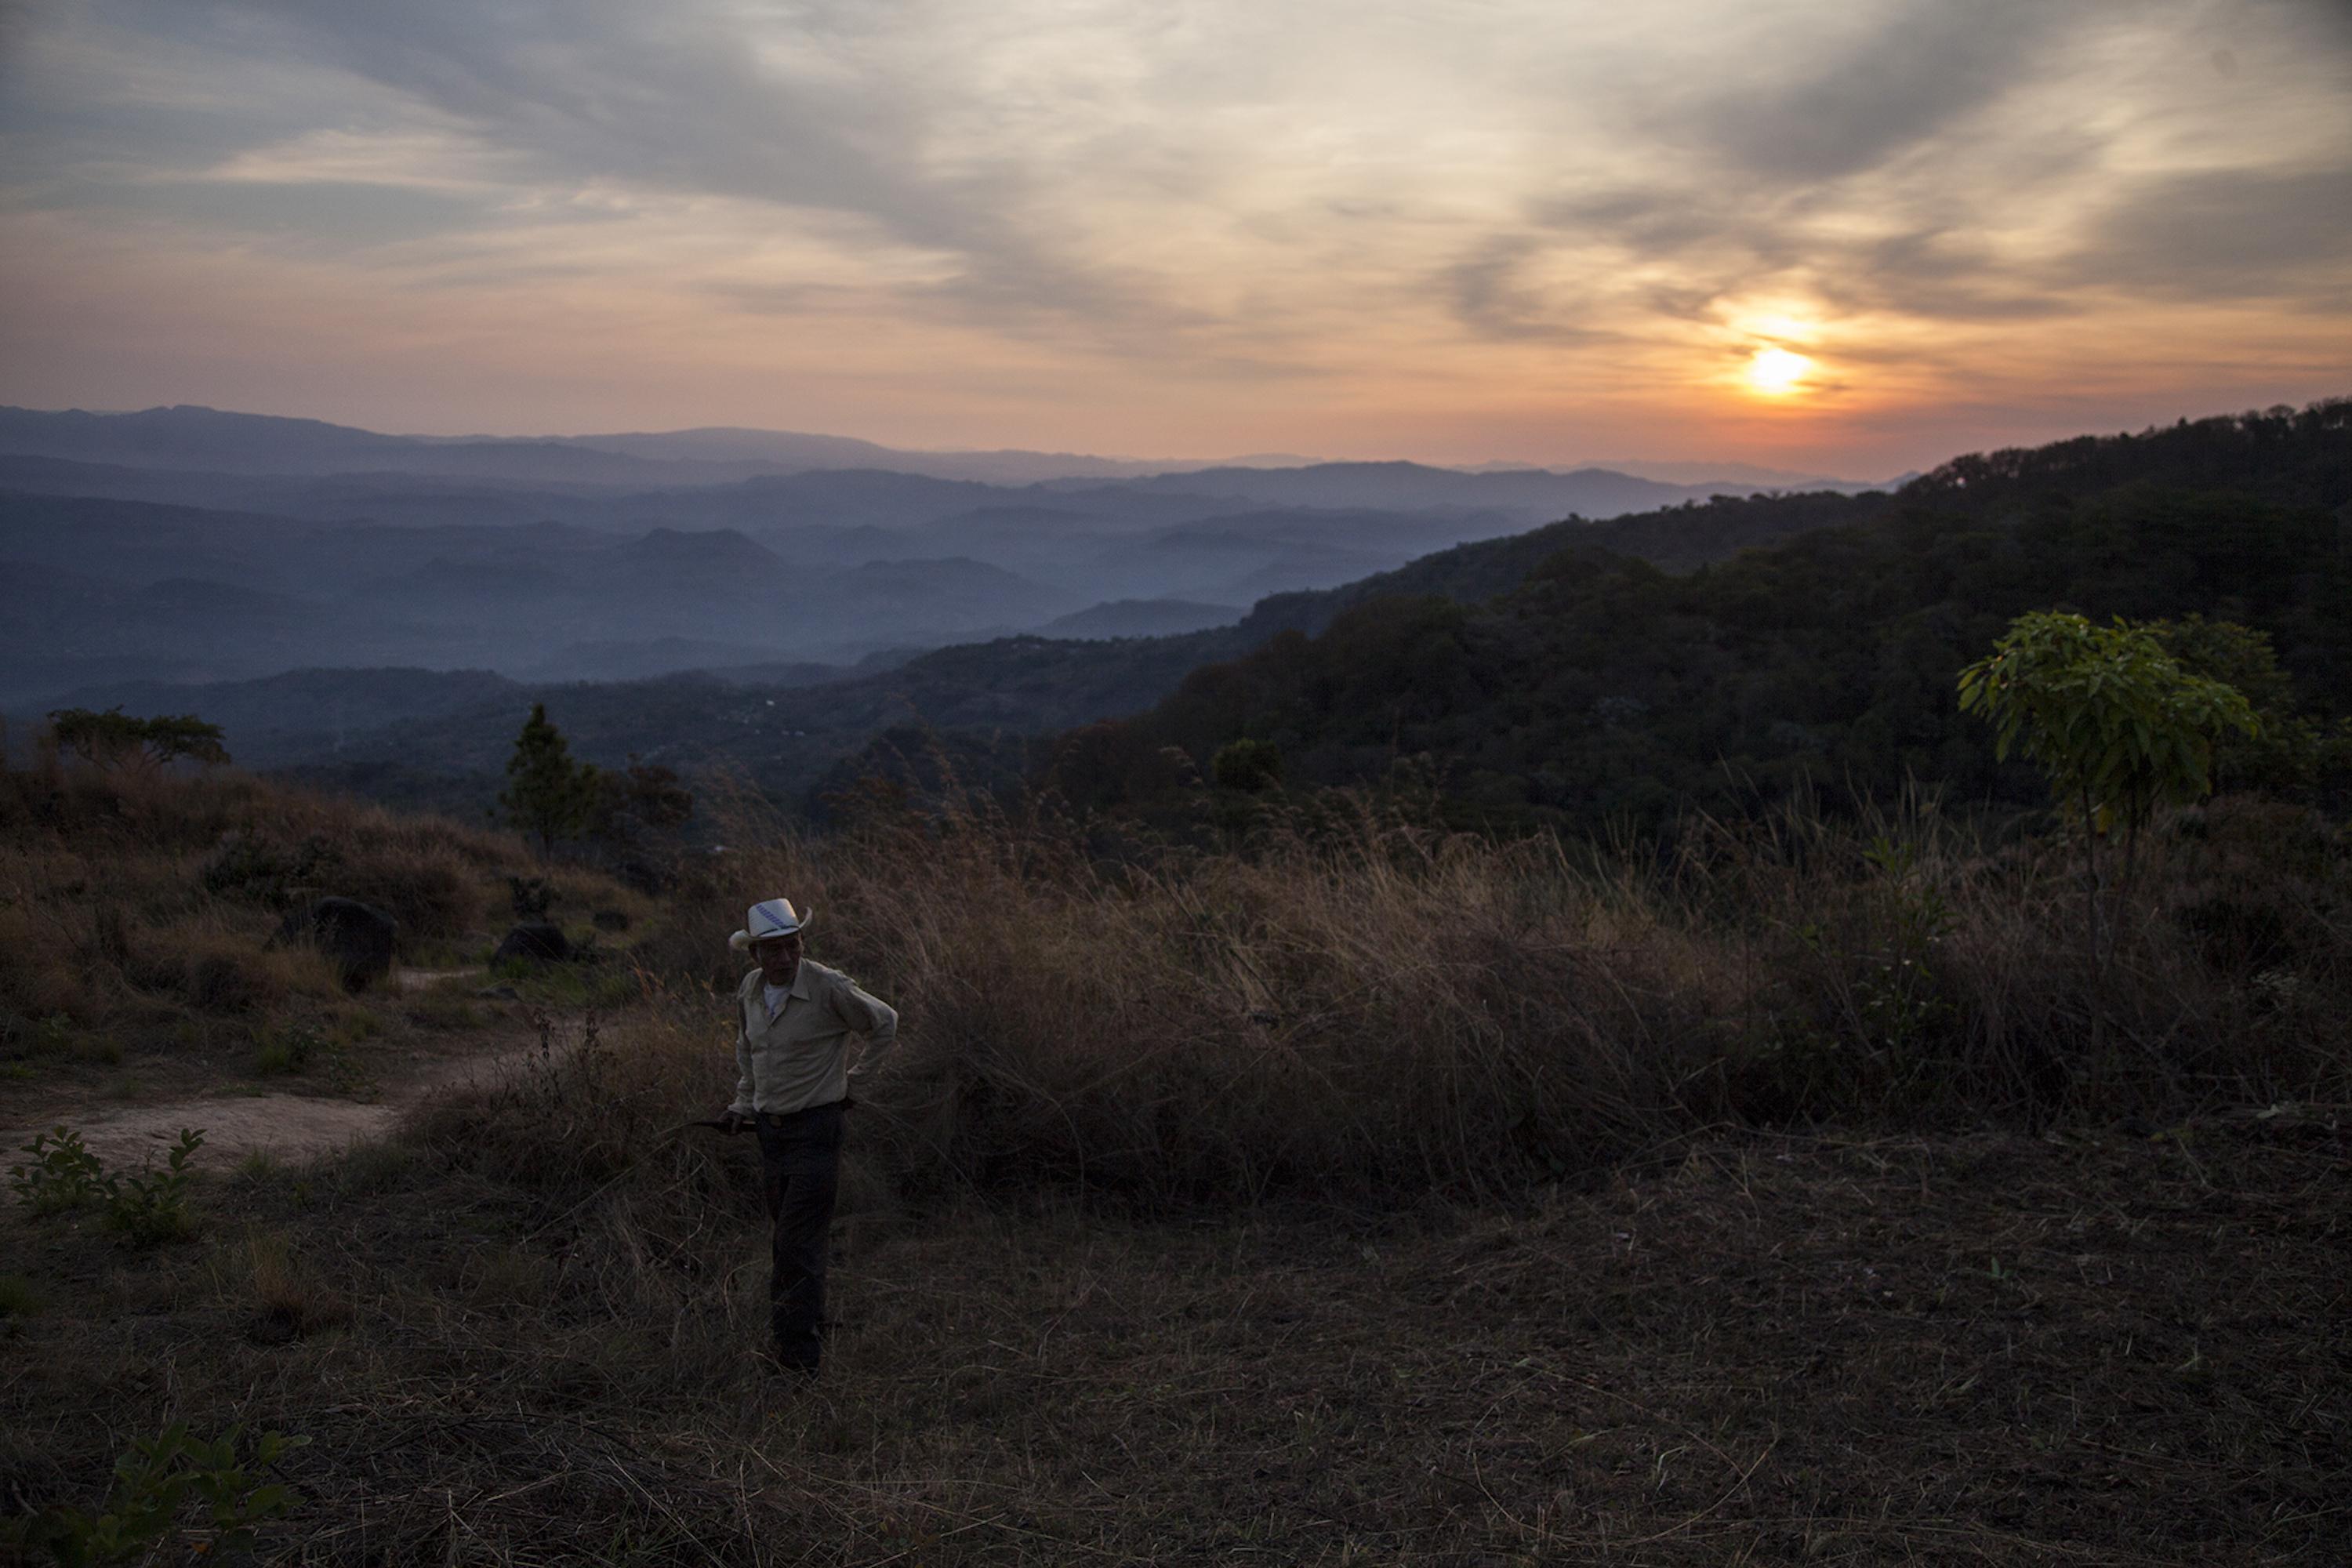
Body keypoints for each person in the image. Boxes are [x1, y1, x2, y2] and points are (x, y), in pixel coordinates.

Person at [719, 897, 898, 1375]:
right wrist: (741, 1103)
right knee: (793, 1236)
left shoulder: (828, 987)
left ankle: (797, 1358)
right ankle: (811, 1321)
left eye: (791, 947)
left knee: (794, 1245)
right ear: (755, 954)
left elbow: (885, 1023)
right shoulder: (751, 991)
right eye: (772, 951)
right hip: (770, 1135)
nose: (784, 959)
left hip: (817, 1130)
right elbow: (749, 1052)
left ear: (802, 944)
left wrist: (851, 1085)